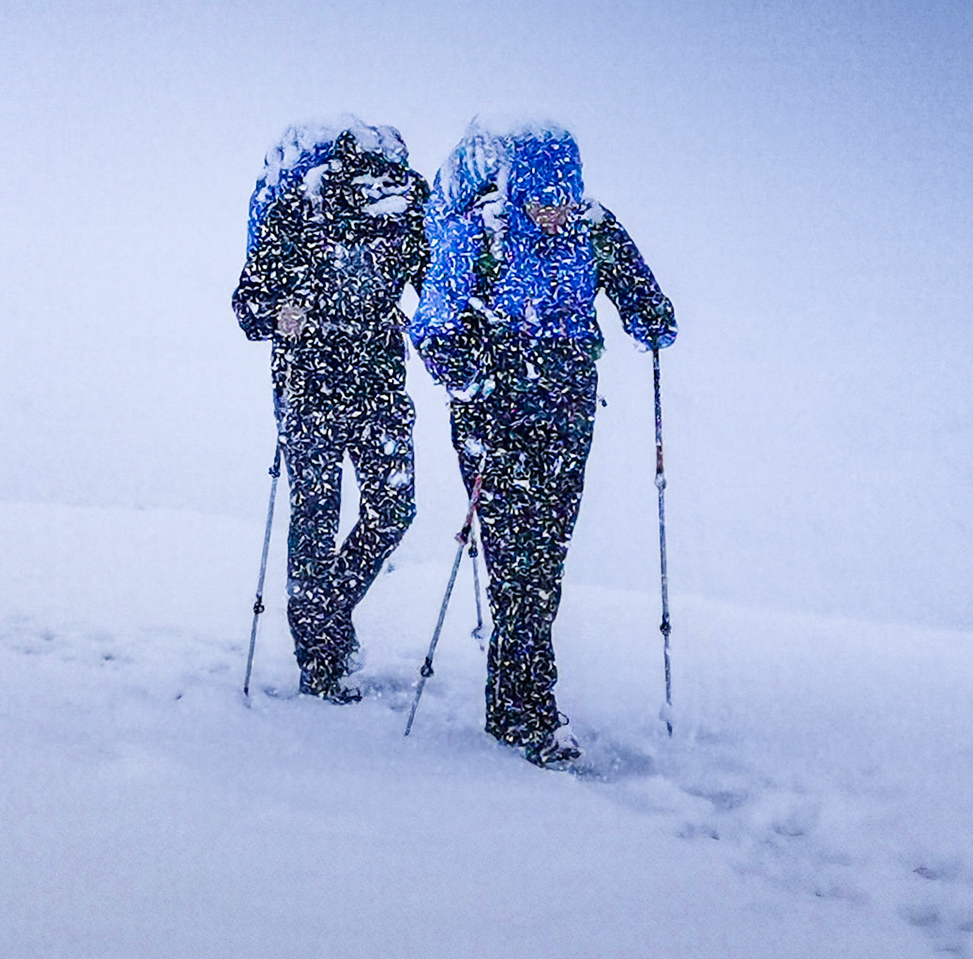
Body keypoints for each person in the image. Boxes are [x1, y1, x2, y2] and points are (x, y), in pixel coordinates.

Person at [408, 120, 675, 766]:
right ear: (519, 191)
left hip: (565, 416)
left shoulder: (594, 227)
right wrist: (475, 372)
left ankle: (511, 704)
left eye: (564, 199)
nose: (555, 214)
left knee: (543, 566)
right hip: (493, 421)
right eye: (542, 201)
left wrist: (653, 317)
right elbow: (434, 327)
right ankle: (532, 714)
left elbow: (644, 299)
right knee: (516, 567)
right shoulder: (481, 234)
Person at [233, 119, 431, 703]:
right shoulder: (296, 214)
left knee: (394, 509)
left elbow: (437, 291)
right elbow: (247, 304)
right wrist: (278, 316)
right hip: (307, 385)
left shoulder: (405, 219)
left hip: (379, 387)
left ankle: (327, 614)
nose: (382, 193)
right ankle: (318, 661)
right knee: (316, 515)